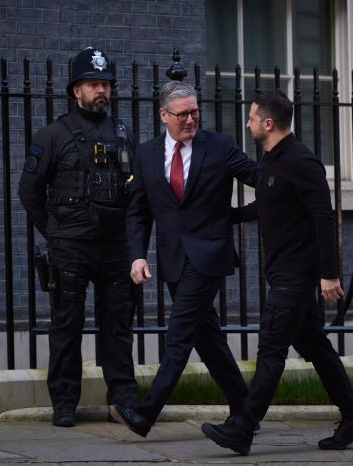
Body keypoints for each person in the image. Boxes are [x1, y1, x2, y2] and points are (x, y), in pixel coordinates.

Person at [201, 90, 353, 455]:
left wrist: (329, 274)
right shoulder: (272, 162)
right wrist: (223, 216)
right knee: (318, 351)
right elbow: (266, 205)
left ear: (268, 123)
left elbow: (324, 218)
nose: (246, 123)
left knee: (270, 350)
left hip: (296, 277)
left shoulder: (301, 162)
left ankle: (243, 428)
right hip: (282, 274)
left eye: (250, 118)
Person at [108, 80, 260, 437]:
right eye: (182, 114)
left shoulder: (220, 146)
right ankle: (245, 409)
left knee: (178, 334)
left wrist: (243, 212)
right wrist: (136, 257)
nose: (191, 119)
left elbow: (259, 178)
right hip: (174, 260)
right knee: (208, 340)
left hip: (209, 256)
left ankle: (145, 412)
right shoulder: (146, 155)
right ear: (163, 115)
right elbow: (139, 213)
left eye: (195, 112)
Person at [18, 46, 138, 428]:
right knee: (67, 324)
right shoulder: (53, 135)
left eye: (105, 84)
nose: (101, 90)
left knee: (118, 325)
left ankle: (122, 400)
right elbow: (29, 191)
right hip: (70, 247)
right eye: (93, 84)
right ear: (76, 90)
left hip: (115, 247)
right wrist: (54, 233)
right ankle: (65, 402)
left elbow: (136, 189)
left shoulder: (122, 134)